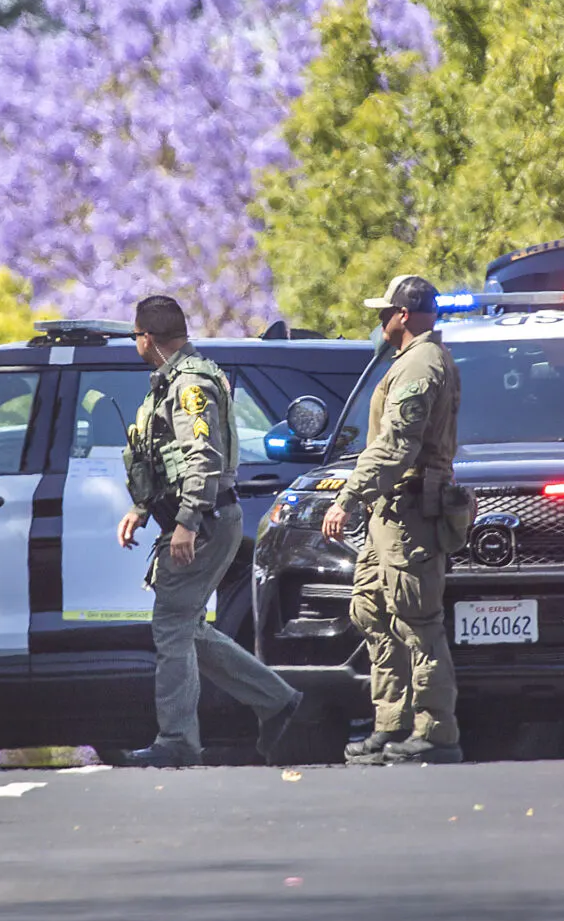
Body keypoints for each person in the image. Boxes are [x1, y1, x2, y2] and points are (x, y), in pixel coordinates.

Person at [111, 295, 306, 768]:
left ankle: (178, 740)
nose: (135, 345)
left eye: (136, 337)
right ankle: (277, 701)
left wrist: (186, 522)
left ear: (148, 339)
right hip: (203, 517)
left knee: (172, 626)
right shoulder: (174, 380)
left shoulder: (190, 385)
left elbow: (203, 458)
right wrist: (142, 507)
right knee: (188, 626)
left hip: (204, 520)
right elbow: (165, 457)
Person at [322, 275, 464, 765]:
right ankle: (392, 722)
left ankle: (435, 731)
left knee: (417, 620)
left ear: (404, 314)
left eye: (385, 311)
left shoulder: (421, 365)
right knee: (371, 608)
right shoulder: (406, 362)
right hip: (391, 515)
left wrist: (349, 495)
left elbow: (397, 444)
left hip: (410, 515)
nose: (380, 319)